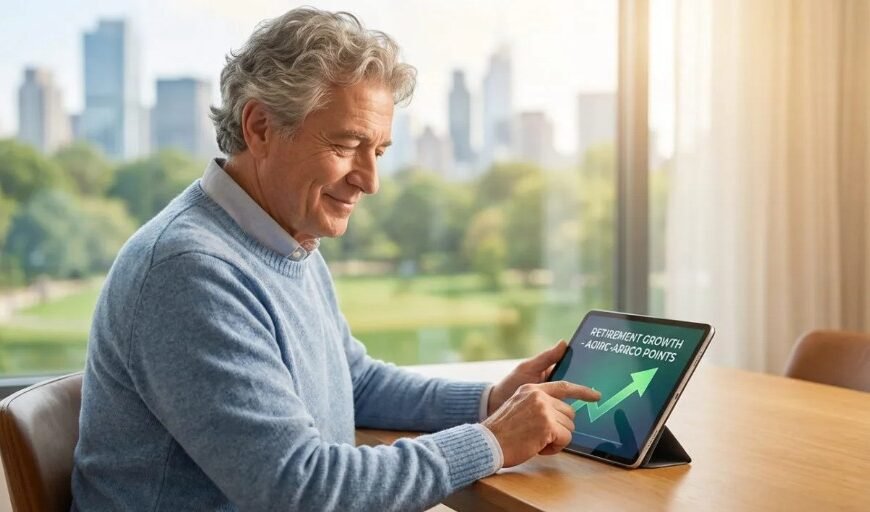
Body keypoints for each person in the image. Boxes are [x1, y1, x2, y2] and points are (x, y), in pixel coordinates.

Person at [70, 7, 600, 511]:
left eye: (380, 151)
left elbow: (355, 382)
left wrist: (489, 400)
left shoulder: (285, 237)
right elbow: (299, 490)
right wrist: (491, 441)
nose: (370, 180)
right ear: (260, 128)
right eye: (348, 145)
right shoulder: (190, 272)